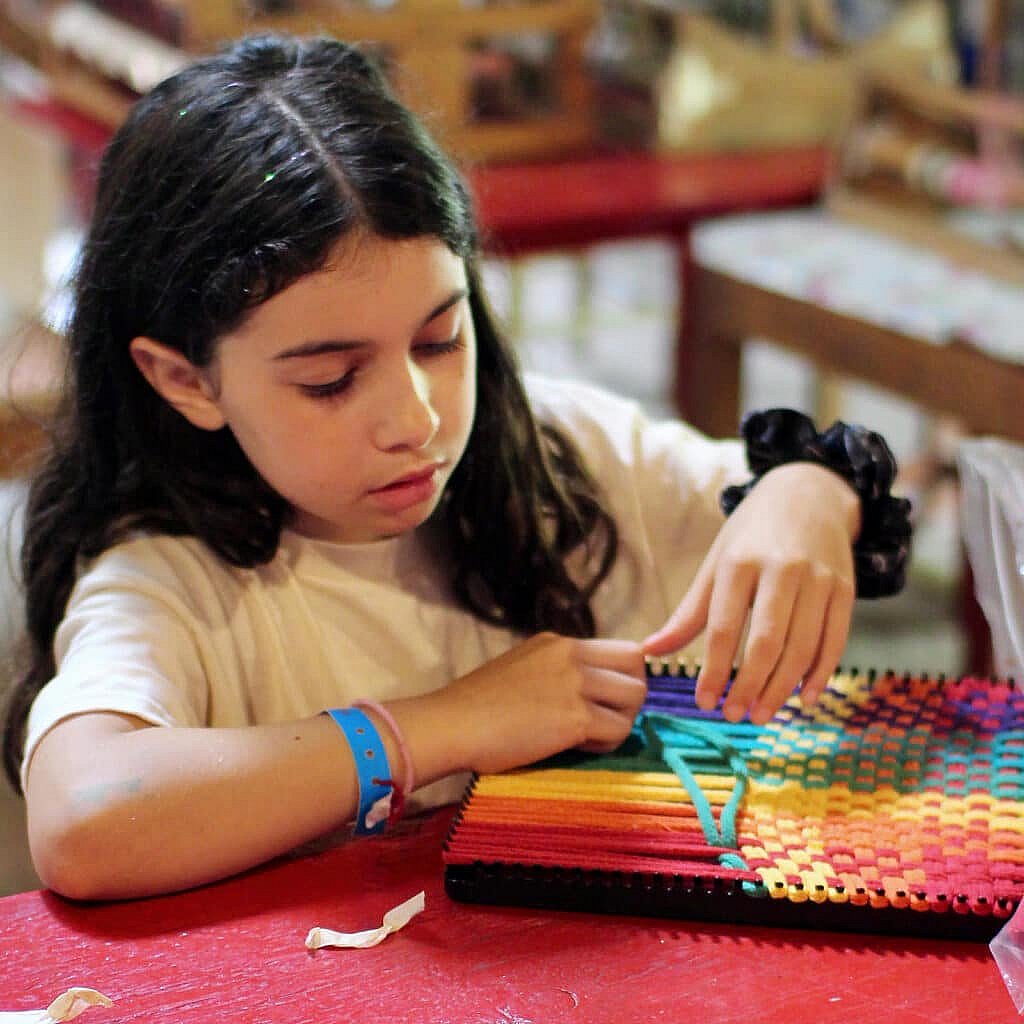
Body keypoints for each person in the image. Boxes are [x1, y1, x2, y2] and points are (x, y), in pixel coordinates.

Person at [0, 33, 910, 901]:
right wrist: (441, 724)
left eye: (440, 338)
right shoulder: (173, 584)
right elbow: (87, 821)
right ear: (184, 379)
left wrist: (810, 494)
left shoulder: (566, 458)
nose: (416, 418)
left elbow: (814, 498)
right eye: (330, 380)